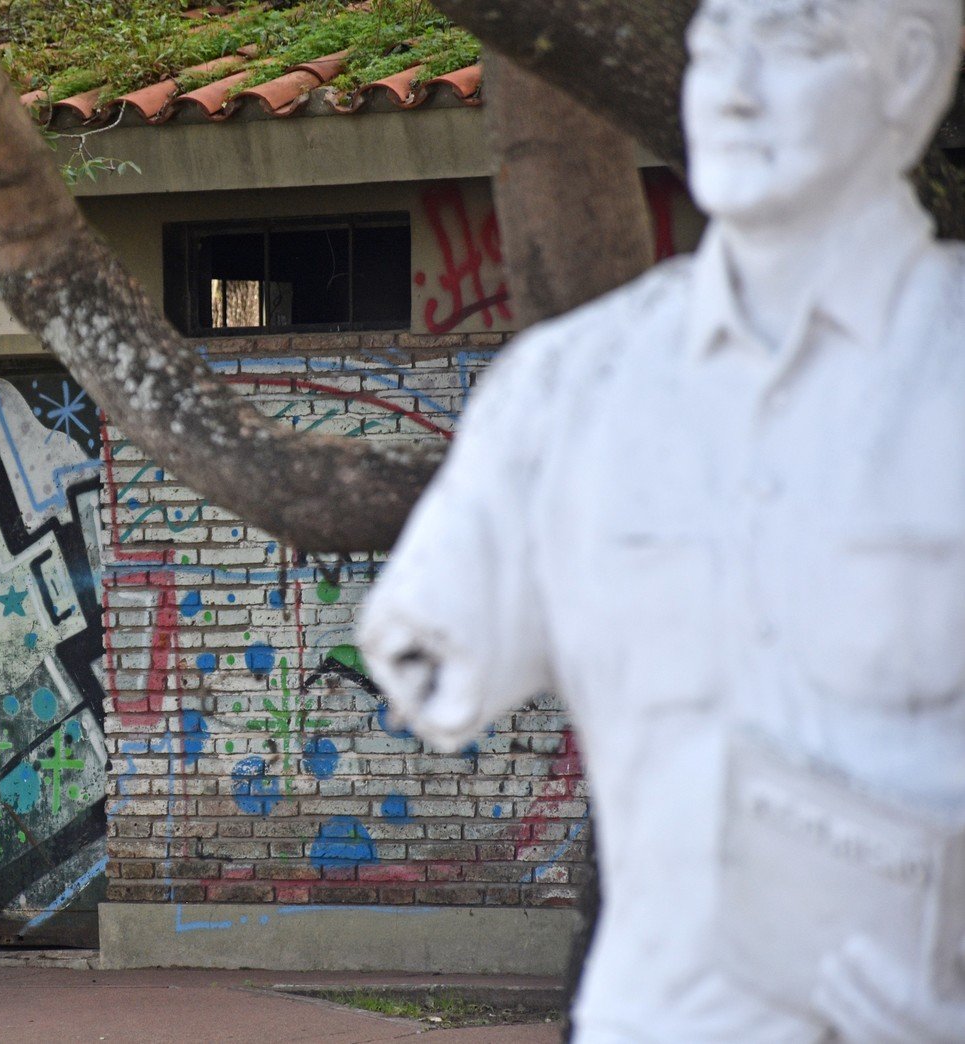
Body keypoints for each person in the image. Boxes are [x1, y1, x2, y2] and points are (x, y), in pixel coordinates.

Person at [359, 1, 965, 1039]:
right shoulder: (566, 390)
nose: (729, 92)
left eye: (789, 46)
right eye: (709, 49)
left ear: (906, 71)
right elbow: (427, 652)